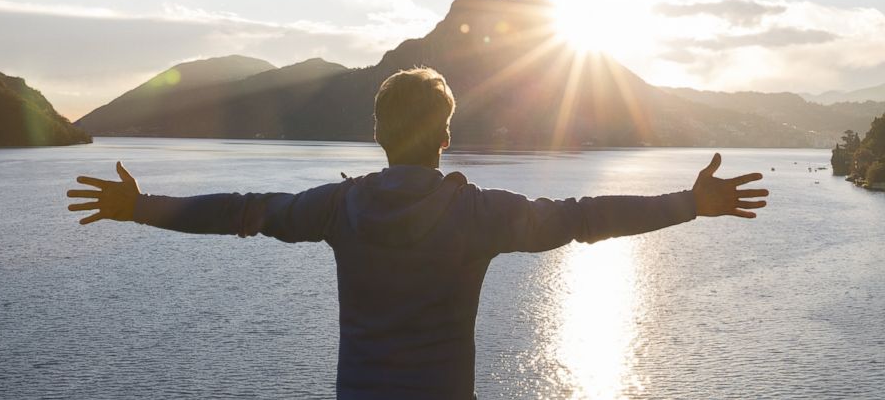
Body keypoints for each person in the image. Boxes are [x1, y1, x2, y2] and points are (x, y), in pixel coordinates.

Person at [67, 67, 768, 400]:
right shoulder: (480, 214)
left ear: (377, 134)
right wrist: (689, 203)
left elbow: (243, 211)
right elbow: (584, 218)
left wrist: (139, 206)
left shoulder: (337, 209)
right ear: (446, 134)